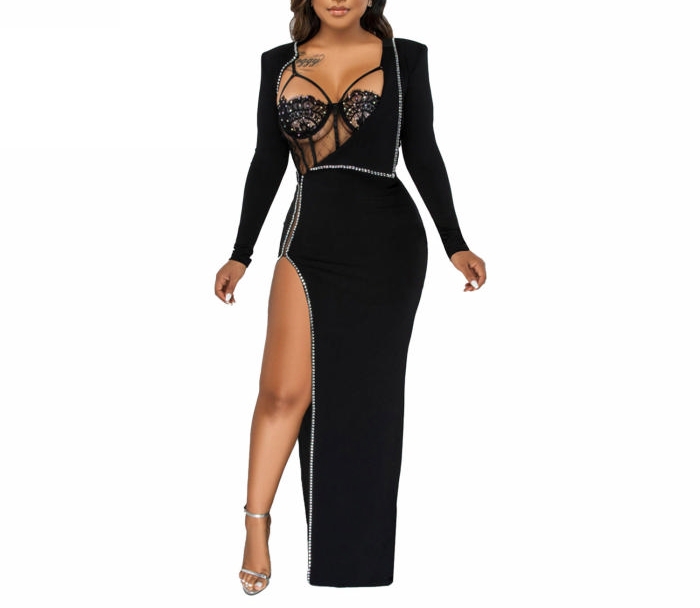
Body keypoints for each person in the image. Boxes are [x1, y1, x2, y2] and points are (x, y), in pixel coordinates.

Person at [214, 0, 486, 593]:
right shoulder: (278, 63)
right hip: (309, 236)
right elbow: (267, 159)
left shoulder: (405, 58)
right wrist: (241, 252)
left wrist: (455, 242)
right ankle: (256, 524)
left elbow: (423, 150)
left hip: (389, 244)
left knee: (369, 402)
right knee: (282, 392)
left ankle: (353, 564)